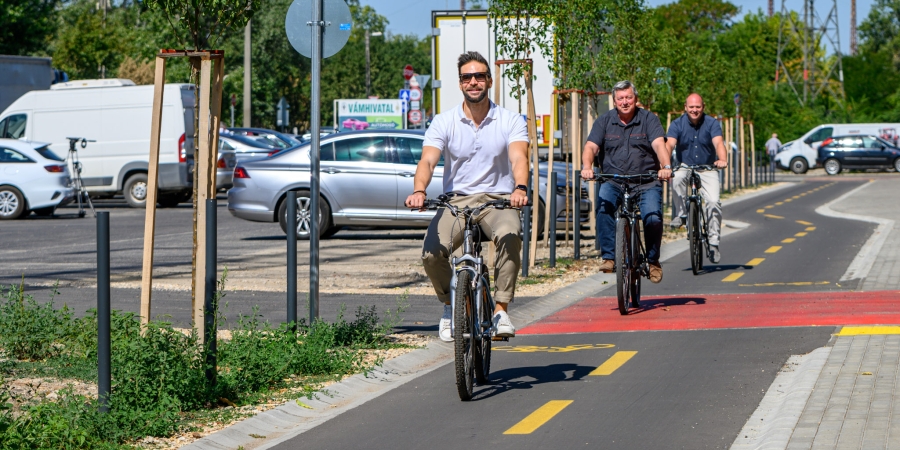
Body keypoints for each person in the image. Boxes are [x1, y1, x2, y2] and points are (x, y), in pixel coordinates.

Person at [405, 51, 529, 342]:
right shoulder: (444, 121)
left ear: (489, 80)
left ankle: (500, 310)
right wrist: (419, 190)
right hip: (456, 201)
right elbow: (427, 161)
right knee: (431, 252)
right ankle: (451, 307)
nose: (474, 82)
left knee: (511, 234)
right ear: (460, 83)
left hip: (497, 199)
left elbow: (519, 158)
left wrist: (520, 188)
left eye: (480, 76)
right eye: (467, 77)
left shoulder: (510, 120)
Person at [580, 80, 673, 283]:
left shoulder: (649, 119)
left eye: (628, 97)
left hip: (646, 180)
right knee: (604, 206)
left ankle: (653, 260)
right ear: (614, 101)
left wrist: (665, 167)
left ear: (635, 99)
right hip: (614, 180)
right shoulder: (604, 121)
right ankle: (609, 257)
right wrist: (587, 166)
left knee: (653, 218)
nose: (624, 102)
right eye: (620, 98)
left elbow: (659, 145)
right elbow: (591, 147)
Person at [665, 93, 728, 263]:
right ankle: (681, 214)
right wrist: (665, 164)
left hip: (707, 168)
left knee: (714, 202)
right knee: (676, 179)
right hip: (685, 166)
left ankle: (713, 242)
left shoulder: (712, 123)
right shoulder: (677, 124)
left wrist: (722, 159)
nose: (694, 110)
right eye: (691, 107)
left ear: (703, 107)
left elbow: (718, 143)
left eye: (698, 107)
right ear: (685, 107)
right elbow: (669, 144)